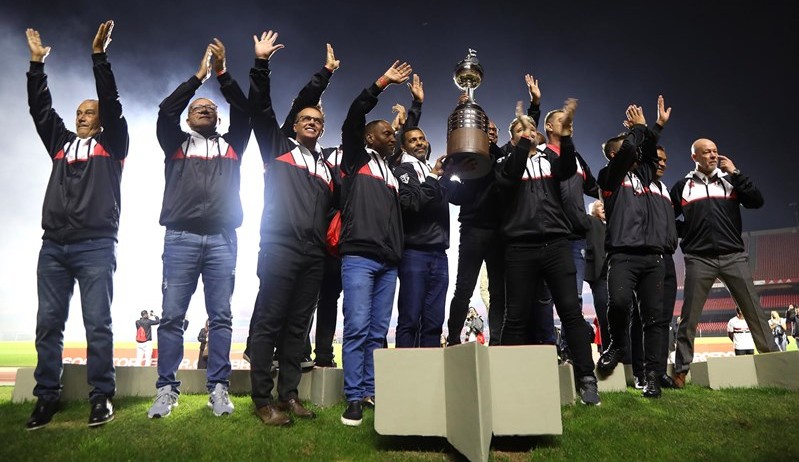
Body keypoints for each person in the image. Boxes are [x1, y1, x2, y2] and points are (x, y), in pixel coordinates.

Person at [24, 20, 127, 430]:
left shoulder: (113, 142)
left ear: (101, 121)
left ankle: (101, 397)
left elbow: (111, 102)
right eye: (79, 113)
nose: (83, 117)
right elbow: (40, 110)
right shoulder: (61, 144)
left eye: (90, 113)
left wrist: (99, 58)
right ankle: (46, 397)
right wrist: (36, 65)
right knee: (48, 324)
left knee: (97, 324)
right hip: (53, 246)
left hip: (96, 245)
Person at [148, 38, 250, 419]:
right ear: (189, 119)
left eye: (211, 108)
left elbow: (244, 109)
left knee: (221, 316)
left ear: (219, 120)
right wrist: (198, 78)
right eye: (198, 108)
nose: (205, 110)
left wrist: (223, 75)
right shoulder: (174, 143)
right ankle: (166, 390)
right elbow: (164, 110)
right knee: (172, 315)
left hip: (224, 238)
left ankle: (219, 388)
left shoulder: (233, 145)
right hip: (181, 237)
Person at [246, 32, 339, 426]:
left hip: (314, 253)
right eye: (305, 118)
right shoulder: (278, 147)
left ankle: (289, 397)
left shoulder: (327, 168)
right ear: (295, 123)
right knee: (270, 321)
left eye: (318, 120)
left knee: (299, 326)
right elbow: (260, 107)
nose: (312, 123)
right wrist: (262, 64)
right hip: (280, 247)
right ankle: (262, 401)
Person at [495, 98, 601, 406]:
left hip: (556, 244)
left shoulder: (551, 160)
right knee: (515, 317)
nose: (527, 132)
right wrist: (522, 143)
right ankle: (510, 381)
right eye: (520, 130)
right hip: (519, 248)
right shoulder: (504, 164)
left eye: (530, 129)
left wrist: (565, 134)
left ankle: (586, 379)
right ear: (512, 138)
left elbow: (569, 167)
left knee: (570, 312)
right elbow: (510, 177)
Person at [338, 60, 413, 426]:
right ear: (369, 138)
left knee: (377, 332)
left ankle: (370, 390)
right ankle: (352, 397)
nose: (392, 136)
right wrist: (382, 82)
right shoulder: (356, 160)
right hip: (359, 257)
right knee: (355, 328)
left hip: (389, 262)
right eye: (386, 133)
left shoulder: (393, 173)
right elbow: (354, 113)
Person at [670, 138, 778, 387]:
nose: (712, 155)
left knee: (754, 311)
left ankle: (773, 360)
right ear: (694, 157)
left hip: (733, 256)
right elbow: (667, 218)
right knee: (689, 317)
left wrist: (737, 173)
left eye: (715, 151)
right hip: (699, 258)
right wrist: (688, 231)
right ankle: (681, 370)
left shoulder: (730, 181)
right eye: (706, 152)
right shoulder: (682, 187)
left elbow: (756, 201)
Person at [595, 97, 676, 398]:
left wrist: (655, 127)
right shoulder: (610, 178)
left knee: (655, 319)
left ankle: (653, 376)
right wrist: (640, 128)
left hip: (653, 258)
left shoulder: (644, 176)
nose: (637, 153)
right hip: (623, 255)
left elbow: (648, 154)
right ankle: (617, 343)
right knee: (618, 303)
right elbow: (631, 148)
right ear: (614, 156)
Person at [393, 74, 454, 348]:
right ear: (403, 147)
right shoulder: (402, 168)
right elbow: (413, 204)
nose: (419, 142)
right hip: (414, 252)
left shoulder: (433, 170)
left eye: (422, 139)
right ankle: (406, 380)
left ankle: (429, 382)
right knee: (410, 317)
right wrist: (415, 108)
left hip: (440, 253)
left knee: (433, 321)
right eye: (413, 140)